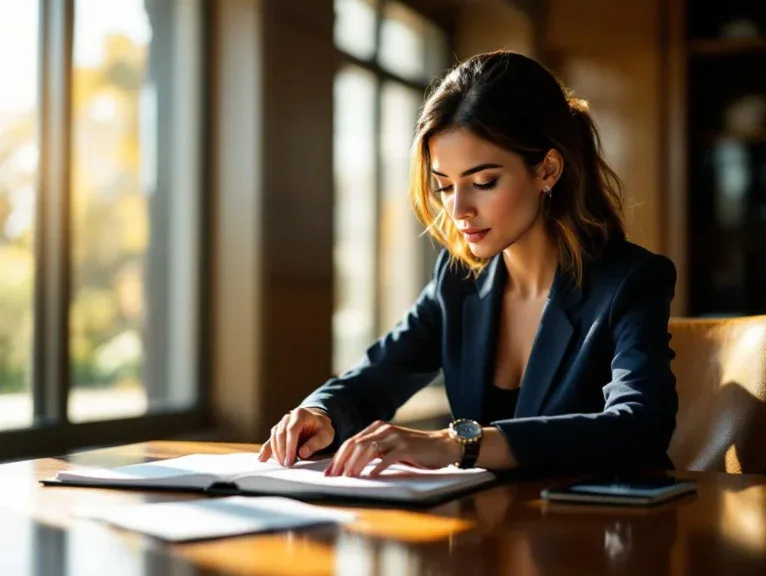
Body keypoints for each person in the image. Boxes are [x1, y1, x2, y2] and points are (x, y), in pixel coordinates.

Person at [257, 50, 677, 478]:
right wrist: (320, 412)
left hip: (594, 531)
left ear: (547, 170)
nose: (459, 210)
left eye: (483, 183)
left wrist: (457, 444)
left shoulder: (630, 281)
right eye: (443, 186)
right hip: (486, 531)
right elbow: (379, 374)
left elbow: (640, 427)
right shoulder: (457, 281)